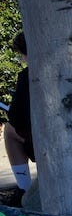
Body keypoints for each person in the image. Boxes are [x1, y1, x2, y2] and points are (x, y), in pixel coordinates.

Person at [3, 31, 33, 205]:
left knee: (9, 130)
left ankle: (24, 189)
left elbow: (16, 119)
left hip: (43, 141)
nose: (22, 59)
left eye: (21, 55)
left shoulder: (27, 76)